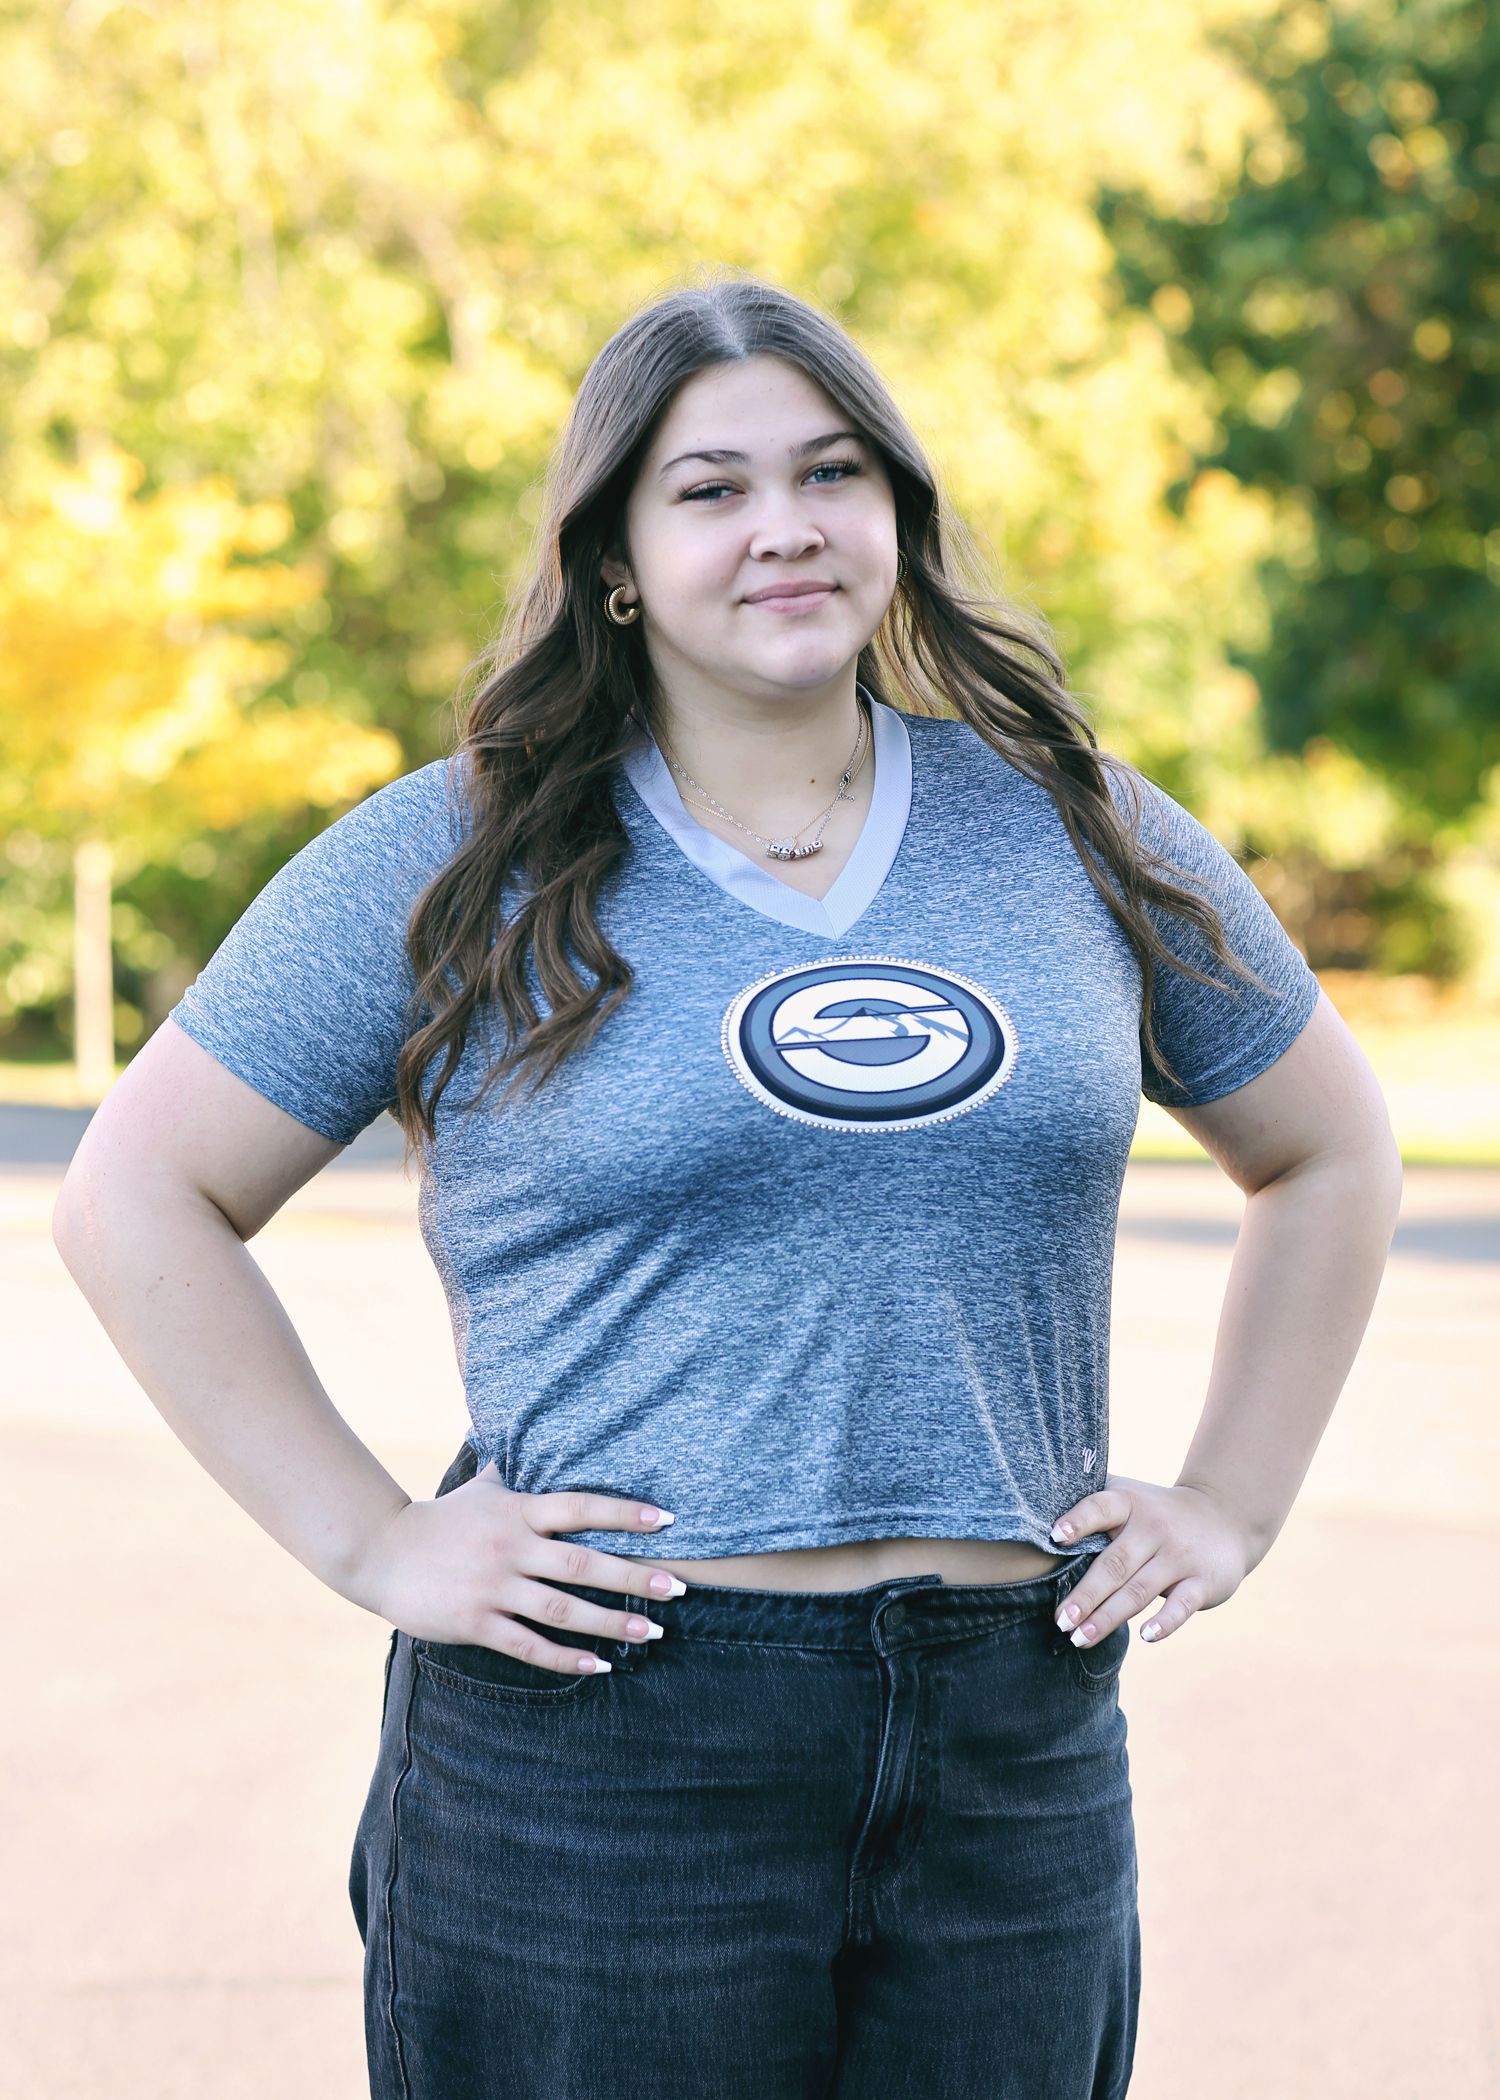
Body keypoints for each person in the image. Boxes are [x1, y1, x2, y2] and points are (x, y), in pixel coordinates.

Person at [52, 269, 1403, 2100]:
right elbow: (135, 1194)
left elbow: (1327, 1147)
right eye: (711, 488)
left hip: (1015, 1736)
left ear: (898, 523)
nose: (786, 526)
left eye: (834, 474)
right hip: (614, 1739)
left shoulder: (1075, 822)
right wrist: (375, 1541)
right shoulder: (461, 857)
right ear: (615, 556)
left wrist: (1235, 1502)